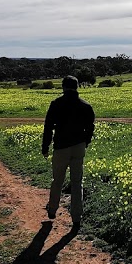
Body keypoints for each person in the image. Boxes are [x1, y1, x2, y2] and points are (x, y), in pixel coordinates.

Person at [42, 75, 95, 228]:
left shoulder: (56, 104)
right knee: (77, 182)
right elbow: (90, 127)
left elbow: (48, 127)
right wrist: (85, 142)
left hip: (61, 147)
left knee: (57, 180)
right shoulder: (85, 106)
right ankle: (77, 217)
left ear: (63, 87)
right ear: (77, 87)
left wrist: (45, 147)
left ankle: (52, 209)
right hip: (79, 147)